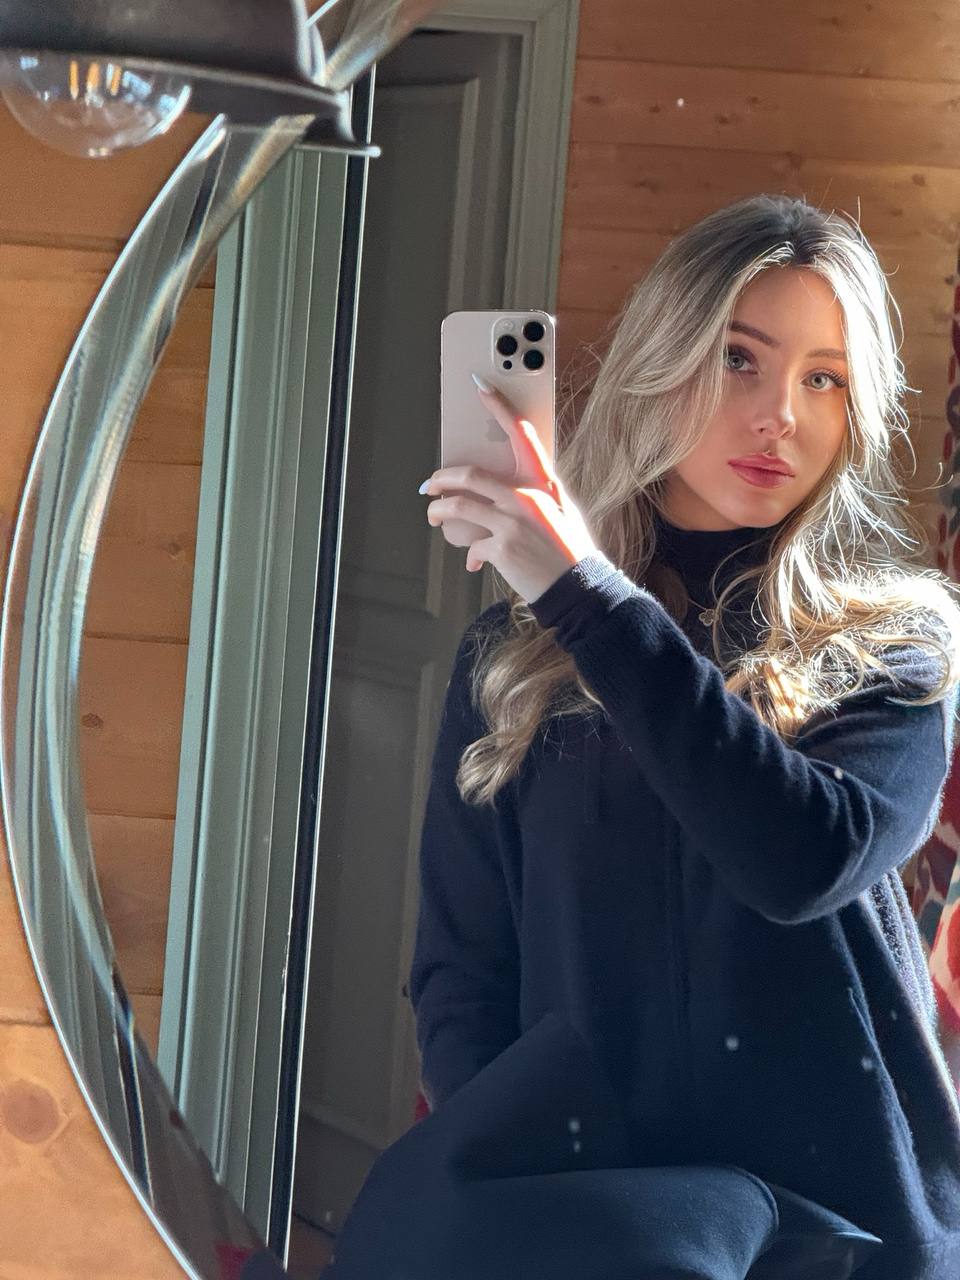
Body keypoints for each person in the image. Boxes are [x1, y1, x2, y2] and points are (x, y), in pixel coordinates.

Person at [407, 194, 960, 1279]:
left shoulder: (899, 643)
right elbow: (461, 971)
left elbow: (802, 859)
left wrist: (586, 598)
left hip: (852, 1235)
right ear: (661, 362)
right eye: (738, 359)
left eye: (824, 378)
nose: (780, 416)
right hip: (592, 1226)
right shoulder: (514, 660)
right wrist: (510, 1191)